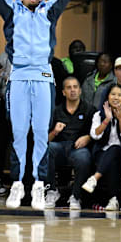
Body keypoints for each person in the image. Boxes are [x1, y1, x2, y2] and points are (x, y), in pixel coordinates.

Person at [0, 0, 90, 210]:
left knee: (41, 132)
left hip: (43, 78)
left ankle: (39, 186)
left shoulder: (48, 12)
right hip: (17, 78)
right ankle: (17, 185)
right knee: (18, 133)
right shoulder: (11, 11)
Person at [82, 84, 121, 211]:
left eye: (119, 95)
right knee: (111, 161)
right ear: (107, 97)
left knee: (115, 149)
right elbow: (95, 135)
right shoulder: (98, 114)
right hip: (102, 153)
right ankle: (113, 200)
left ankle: (95, 178)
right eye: (113, 94)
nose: (116, 97)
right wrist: (107, 120)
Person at [44, 76, 94, 210]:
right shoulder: (55, 111)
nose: (72, 90)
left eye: (75, 87)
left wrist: (88, 137)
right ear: (63, 92)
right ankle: (52, 191)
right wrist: (54, 131)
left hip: (78, 148)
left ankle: (76, 196)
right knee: (46, 150)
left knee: (83, 157)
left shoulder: (89, 110)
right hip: (60, 147)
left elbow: (97, 134)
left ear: (80, 91)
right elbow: (46, 140)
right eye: (69, 87)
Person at [0, 51, 13, 195]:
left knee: (18, 142)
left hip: (19, 103)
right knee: (0, 142)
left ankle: (18, 179)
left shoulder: (25, 53)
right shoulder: (3, 56)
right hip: (2, 101)